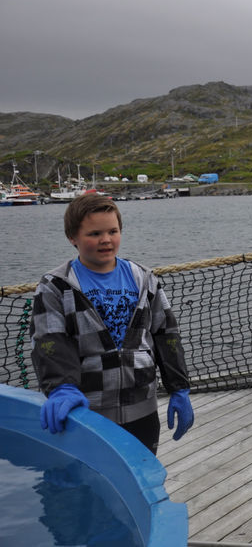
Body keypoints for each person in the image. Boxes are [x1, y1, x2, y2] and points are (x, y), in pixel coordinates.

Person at [30, 193, 193, 455]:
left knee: (139, 479)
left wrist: (179, 388)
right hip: (85, 414)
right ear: (72, 237)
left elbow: (166, 333)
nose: (105, 240)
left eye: (112, 231)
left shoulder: (144, 278)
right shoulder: (56, 286)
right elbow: (50, 340)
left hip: (143, 410)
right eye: (94, 234)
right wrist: (62, 388)